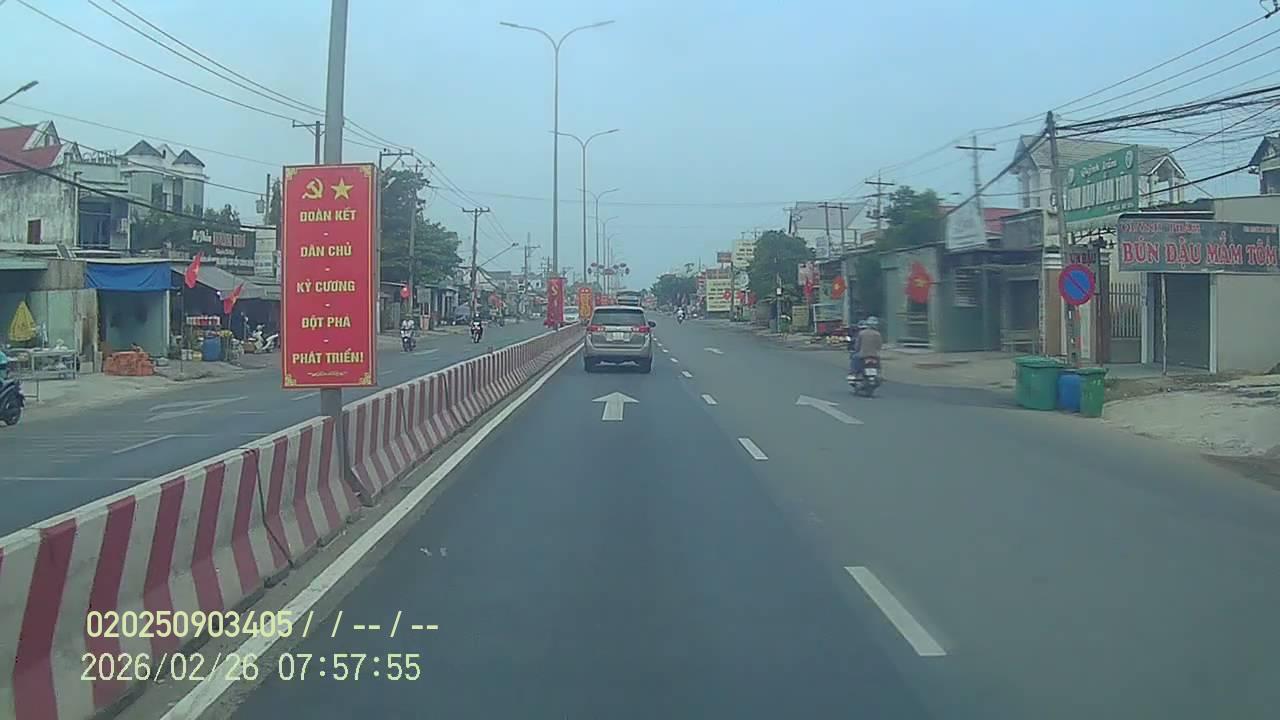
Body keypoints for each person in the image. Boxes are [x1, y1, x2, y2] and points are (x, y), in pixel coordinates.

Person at [848, 316, 883, 381]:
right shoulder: (878, 334)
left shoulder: (861, 333)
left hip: (863, 354)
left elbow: (857, 346)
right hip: (874, 355)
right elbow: (879, 346)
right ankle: (879, 374)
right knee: (878, 362)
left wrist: (856, 350)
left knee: (854, 358)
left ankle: (853, 374)